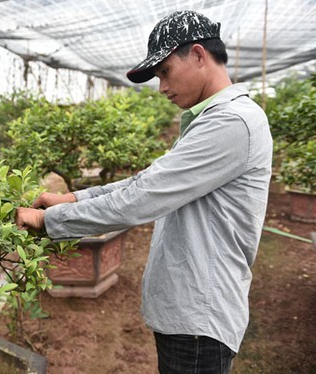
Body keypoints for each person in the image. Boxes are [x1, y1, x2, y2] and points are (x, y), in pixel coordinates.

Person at [15, 10, 273, 374]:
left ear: (198, 55)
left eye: (164, 71)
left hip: (200, 317)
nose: (162, 87)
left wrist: (47, 219)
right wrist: (73, 198)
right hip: (189, 310)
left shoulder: (231, 122)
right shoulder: (211, 120)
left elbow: (144, 196)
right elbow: (146, 181)